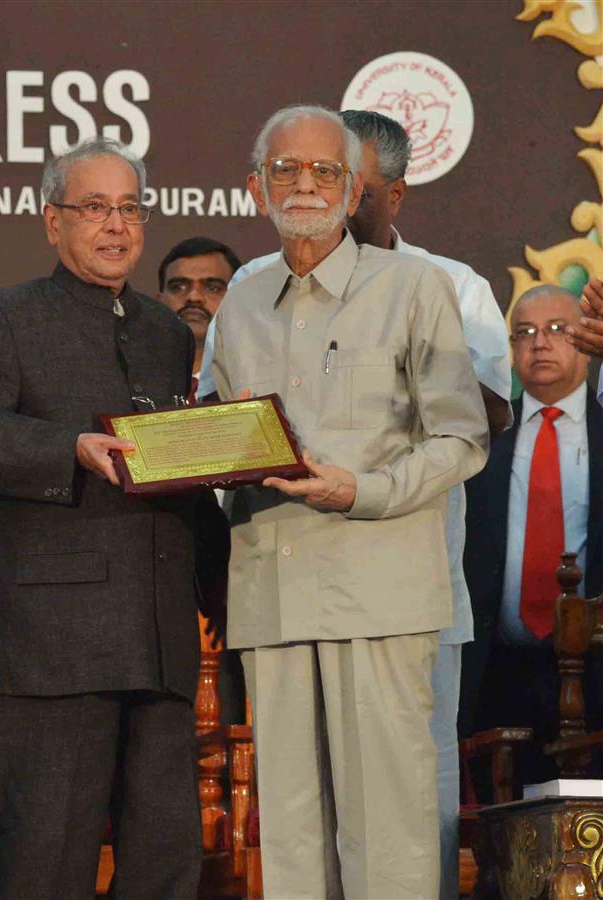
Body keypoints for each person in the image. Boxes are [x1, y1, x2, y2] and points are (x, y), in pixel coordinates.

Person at [206, 108, 511, 898]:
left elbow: (463, 439)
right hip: (273, 598)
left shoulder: (416, 287)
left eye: (325, 171)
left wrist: (363, 490)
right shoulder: (240, 300)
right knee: (293, 843)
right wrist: (212, 449)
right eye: (284, 169)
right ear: (254, 188)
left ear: (355, 191)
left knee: (391, 845)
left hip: (380, 595)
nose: (303, 184)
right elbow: (212, 436)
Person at [0, 136, 221, 898]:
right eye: (95, 208)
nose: (115, 226)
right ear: (53, 222)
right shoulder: (4, 317)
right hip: (55, 647)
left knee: (166, 864)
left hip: (158, 640)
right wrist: (67, 449)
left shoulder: (162, 330)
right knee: (48, 865)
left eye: (129, 209)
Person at [461, 285, 602, 787]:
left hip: (595, 667)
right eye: (524, 333)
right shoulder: (482, 439)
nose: (540, 343)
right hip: (501, 671)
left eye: (558, 330)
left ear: (587, 340)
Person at [155, 236, 240, 375]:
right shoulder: (125, 377)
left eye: (212, 288)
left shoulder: (257, 379)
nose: (193, 297)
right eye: (179, 287)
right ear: (159, 302)